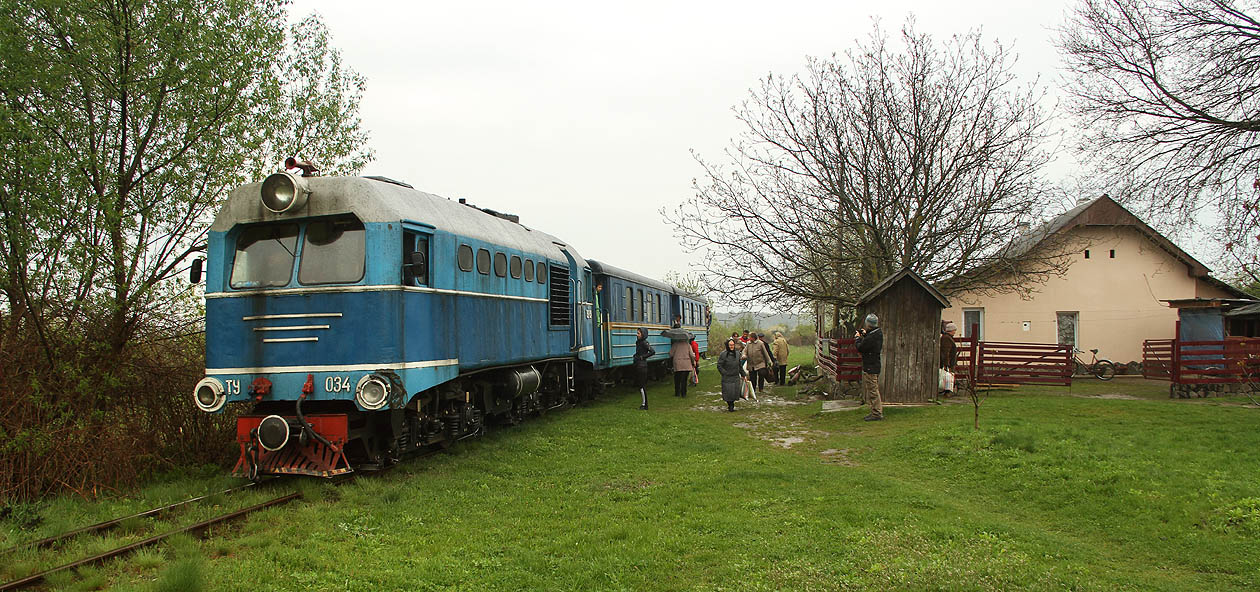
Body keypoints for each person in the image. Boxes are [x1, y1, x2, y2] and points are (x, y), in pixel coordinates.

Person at [855, 314, 884, 421]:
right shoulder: (878, 333)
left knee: (873, 390)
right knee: (873, 389)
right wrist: (865, 334)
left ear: (868, 324)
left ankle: (876, 413)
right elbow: (870, 338)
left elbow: (861, 347)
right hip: (875, 364)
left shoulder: (871, 337)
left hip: (870, 366)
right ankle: (875, 411)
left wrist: (857, 338)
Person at [717, 339, 746, 412]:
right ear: (727, 345)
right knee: (728, 392)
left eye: (733, 345)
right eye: (730, 345)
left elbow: (739, 365)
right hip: (727, 377)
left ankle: (732, 405)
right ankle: (730, 405)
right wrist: (724, 372)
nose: (732, 346)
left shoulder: (737, 354)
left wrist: (743, 375)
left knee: (734, 392)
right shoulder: (723, 354)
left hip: (735, 376)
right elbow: (719, 365)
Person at [633, 328, 655, 410]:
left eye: (638, 333)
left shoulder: (644, 343)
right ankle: (644, 403)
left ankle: (645, 404)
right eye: (637, 333)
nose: (637, 335)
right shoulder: (638, 342)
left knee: (642, 386)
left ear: (643, 334)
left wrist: (642, 357)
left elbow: (652, 351)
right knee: (640, 385)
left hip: (642, 366)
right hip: (639, 365)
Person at [939, 321, 958, 401]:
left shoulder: (947, 338)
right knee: (948, 376)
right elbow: (946, 352)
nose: (955, 331)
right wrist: (947, 364)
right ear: (951, 330)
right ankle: (947, 392)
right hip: (948, 362)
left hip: (950, 361)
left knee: (948, 377)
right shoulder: (946, 338)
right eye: (954, 330)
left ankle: (948, 392)